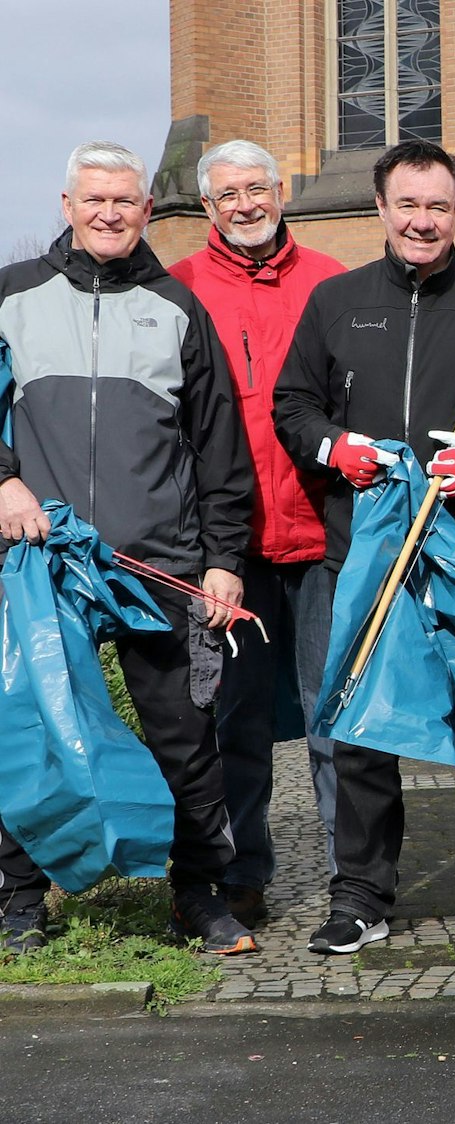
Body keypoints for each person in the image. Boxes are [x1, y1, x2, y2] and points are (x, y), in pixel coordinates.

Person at [273, 139, 455, 956]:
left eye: (438, 206)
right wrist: (336, 449)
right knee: (365, 730)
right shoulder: (335, 302)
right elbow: (292, 405)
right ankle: (362, 891)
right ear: (380, 208)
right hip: (366, 556)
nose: (422, 220)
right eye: (407, 204)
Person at [0, 141, 256, 956]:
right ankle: (20, 901)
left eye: (125, 201)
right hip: (47, 565)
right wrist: (2, 479)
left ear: (147, 210)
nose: (109, 213)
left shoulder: (179, 308)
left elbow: (220, 448)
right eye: (94, 199)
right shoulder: (11, 299)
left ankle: (199, 893)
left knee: (185, 735)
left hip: (161, 566)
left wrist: (223, 559)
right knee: (35, 732)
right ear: (68, 204)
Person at [168, 139, 349, 928]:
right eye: (227, 195)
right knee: (235, 719)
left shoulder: (334, 283)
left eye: (257, 189)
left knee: (335, 711)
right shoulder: (178, 290)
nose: (245, 205)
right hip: (229, 546)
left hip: (321, 529)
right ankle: (242, 872)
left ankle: (356, 875)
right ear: (207, 207)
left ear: (280, 192)